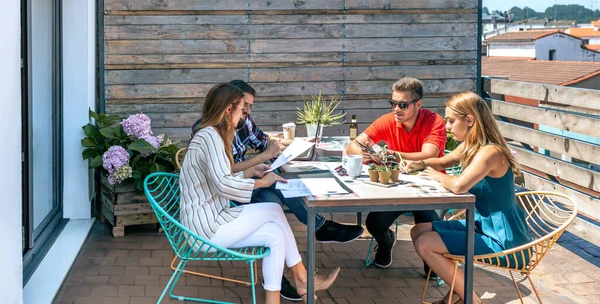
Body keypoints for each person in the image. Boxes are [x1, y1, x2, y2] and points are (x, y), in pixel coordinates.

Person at [192, 80, 363, 301]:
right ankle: (305, 263)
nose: (246, 113)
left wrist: (269, 158)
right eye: (244, 107)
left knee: (277, 203)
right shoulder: (208, 136)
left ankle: (300, 275)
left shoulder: (226, 128)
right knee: (273, 204)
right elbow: (224, 179)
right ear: (229, 108)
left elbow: (249, 153)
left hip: (224, 200)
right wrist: (259, 169)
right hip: (214, 213)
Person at [409, 91, 531, 304]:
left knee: (426, 244)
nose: (447, 127)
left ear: (470, 120)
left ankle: (471, 300)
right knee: (418, 230)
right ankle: (458, 293)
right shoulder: (472, 146)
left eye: (451, 121)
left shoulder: (490, 152)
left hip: (504, 240)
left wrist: (435, 175)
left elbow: (458, 186)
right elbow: (444, 161)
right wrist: (421, 164)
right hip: (481, 226)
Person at [345, 77, 446, 273]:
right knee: (374, 223)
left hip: (428, 186)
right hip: (396, 185)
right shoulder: (388, 120)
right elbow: (353, 145)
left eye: (403, 105)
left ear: (418, 104)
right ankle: (386, 240)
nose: (396, 109)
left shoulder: (434, 121)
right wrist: (364, 152)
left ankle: (433, 263)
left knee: (428, 226)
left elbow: (429, 153)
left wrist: (392, 154)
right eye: (393, 103)